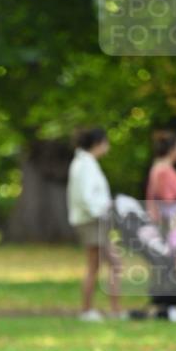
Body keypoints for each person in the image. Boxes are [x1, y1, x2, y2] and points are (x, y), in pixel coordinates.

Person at [67, 127, 125, 322]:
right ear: (98, 143)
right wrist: (103, 210)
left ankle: (111, 309)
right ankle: (89, 310)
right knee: (100, 265)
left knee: (109, 264)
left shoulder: (86, 163)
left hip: (94, 220)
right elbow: (86, 197)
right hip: (91, 221)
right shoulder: (84, 165)